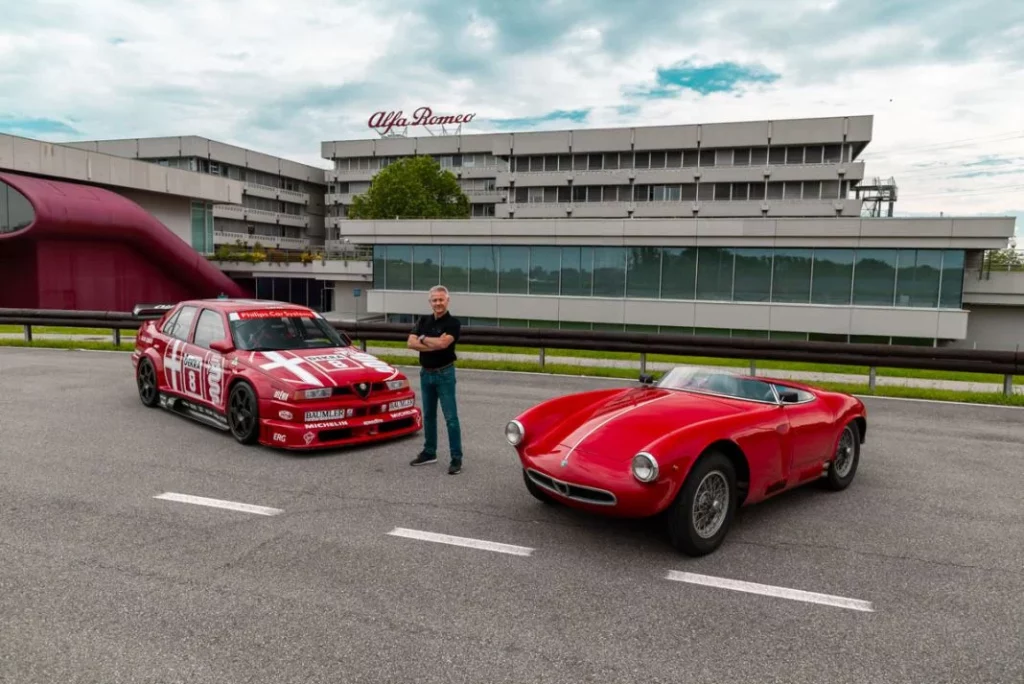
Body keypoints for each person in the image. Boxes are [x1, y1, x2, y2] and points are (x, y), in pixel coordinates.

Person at [407, 285, 464, 474]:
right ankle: (430, 452)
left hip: (444, 374)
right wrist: (431, 342)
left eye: (441, 299)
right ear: (430, 302)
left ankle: (456, 457)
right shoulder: (423, 320)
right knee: (429, 416)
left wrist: (423, 339)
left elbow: (443, 343)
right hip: (426, 373)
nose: (438, 303)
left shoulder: (453, 323)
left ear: (448, 300)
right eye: (434, 300)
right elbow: (410, 343)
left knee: (451, 418)